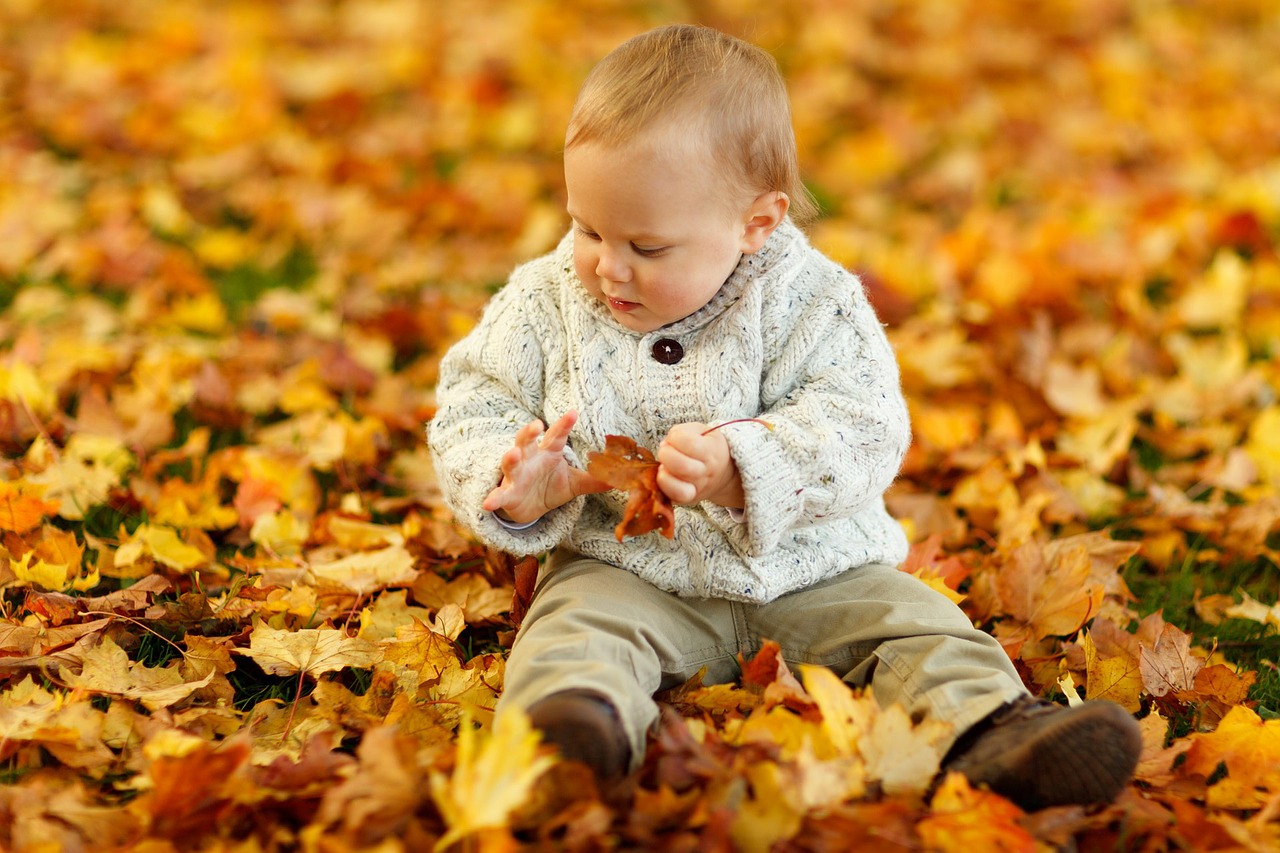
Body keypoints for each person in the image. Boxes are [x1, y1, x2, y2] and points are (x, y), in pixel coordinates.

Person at [427, 23, 1140, 810]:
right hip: (626, 571)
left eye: (648, 245)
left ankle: (996, 731)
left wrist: (750, 465)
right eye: (587, 227)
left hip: (815, 566)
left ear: (755, 224)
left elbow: (865, 424)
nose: (607, 265)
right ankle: (569, 736)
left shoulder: (814, 300)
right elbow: (474, 398)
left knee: (917, 625)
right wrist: (510, 476)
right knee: (573, 632)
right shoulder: (544, 298)